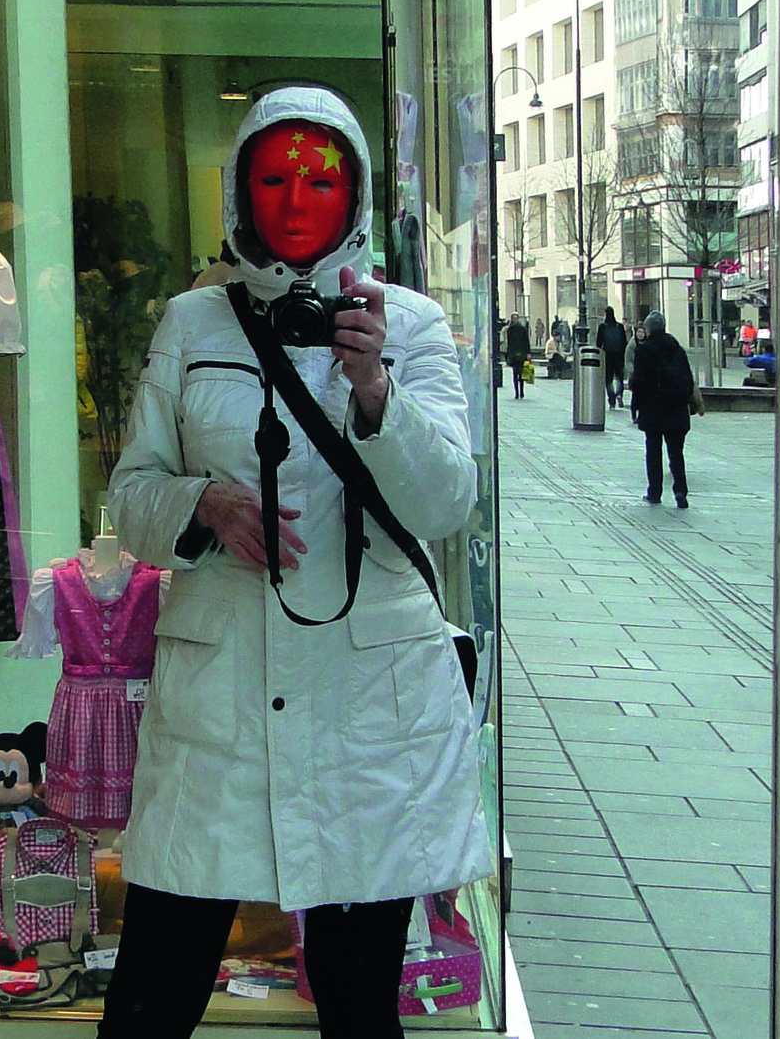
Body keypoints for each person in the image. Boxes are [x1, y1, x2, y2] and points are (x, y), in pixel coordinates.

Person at [101, 87, 490, 1039]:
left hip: (369, 715)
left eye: (319, 179)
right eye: (272, 176)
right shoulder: (193, 324)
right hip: (221, 708)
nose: (294, 197)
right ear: (240, 187)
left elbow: (447, 503)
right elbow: (130, 498)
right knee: (152, 994)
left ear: (353, 190)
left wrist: (374, 391)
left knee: (360, 1009)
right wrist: (203, 504)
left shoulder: (411, 324)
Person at [630, 312, 703, 507]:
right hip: (677, 409)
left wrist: (635, 406)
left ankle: (654, 492)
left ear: (649, 329)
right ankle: (680, 491)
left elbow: (639, 381)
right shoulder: (677, 349)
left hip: (653, 408)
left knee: (653, 451)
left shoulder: (644, 350)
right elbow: (688, 378)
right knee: (676, 453)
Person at [596, 305, 629, 408]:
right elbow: (624, 342)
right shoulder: (619, 326)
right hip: (619, 356)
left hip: (607, 356)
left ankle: (612, 400)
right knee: (619, 377)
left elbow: (598, 343)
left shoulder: (602, 327)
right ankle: (619, 394)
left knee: (608, 379)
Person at [506, 311, 532, 399]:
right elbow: (509, 343)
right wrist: (508, 355)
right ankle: (516, 393)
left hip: (522, 354)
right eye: (513, 318)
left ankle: (521, 391)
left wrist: (528, 353)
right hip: (514, 354)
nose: (515, 320)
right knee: (515, 374)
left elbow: (526, 341)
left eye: (516, 318)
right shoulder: (510, 330)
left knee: (521, 374)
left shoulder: (522, 329)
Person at [624, 324, 647, 422]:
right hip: (636, 375)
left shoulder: (648, 344)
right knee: (636, 395)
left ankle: (642, 414)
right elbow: (628, 360)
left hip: (646, 374)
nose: (641, 334)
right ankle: (634, 414)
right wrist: (633, 370)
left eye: (642, 332)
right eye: (639, 332)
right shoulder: (632, 345)